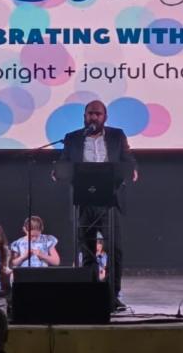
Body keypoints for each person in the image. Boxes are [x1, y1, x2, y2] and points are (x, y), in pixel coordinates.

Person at [57, 99, 139, 310]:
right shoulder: (73, 138)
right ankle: (90, 292)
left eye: (97, 114)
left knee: (115, 250)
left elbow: (128, 159)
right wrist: (58, 171)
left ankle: (112, 295)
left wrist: (132, 170)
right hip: (83, 200)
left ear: (105, 117)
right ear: (84, 116)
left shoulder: (117, 135)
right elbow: (64, 162)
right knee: (87, 250)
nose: (93, 117)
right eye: (90, 113)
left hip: (109, 199)